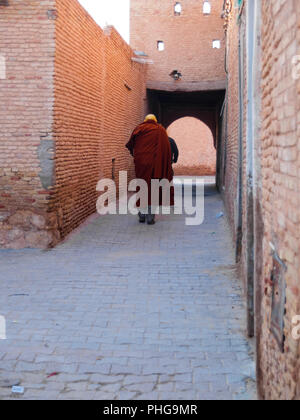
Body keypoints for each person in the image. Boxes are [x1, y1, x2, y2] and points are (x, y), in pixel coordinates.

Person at [126, 114, 174, 225]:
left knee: (142, 187)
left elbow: (130, 145)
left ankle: (142, 215)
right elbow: (166, 150)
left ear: (145, 120)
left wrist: (137, 156)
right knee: (154, 189)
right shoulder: (160, 130)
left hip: (141, 164)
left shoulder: (139, 128)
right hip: (156, 166)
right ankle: (150, 217)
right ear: (155, 121)